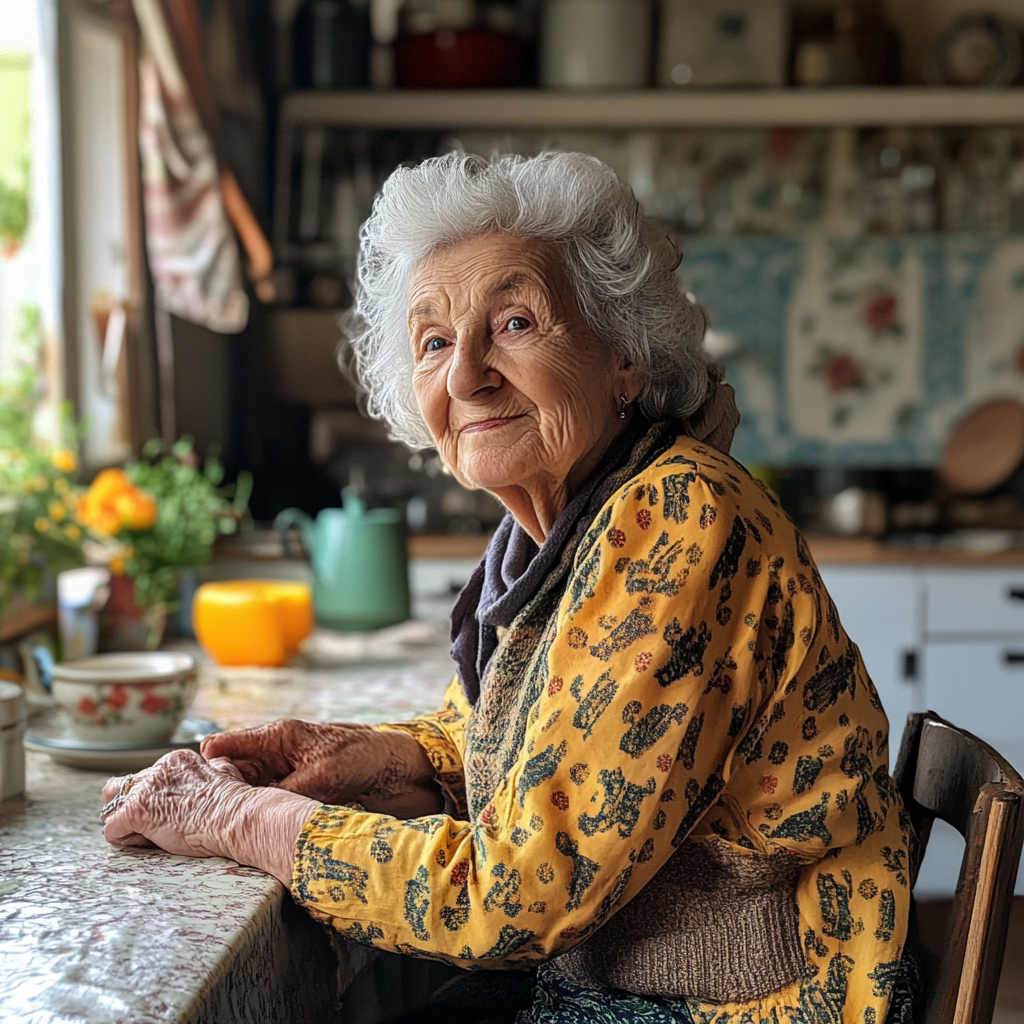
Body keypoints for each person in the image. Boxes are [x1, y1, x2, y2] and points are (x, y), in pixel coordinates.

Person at [101, 152, 919, 1024]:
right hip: (643, 976)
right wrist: (375, 755)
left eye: (516, 323)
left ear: (626, 357)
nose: (464, 376)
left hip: (765, 1003)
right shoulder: (577, 521)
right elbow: (550, 748)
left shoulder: (682, 517)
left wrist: (240, 820)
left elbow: (519, 897)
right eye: (435, 341)